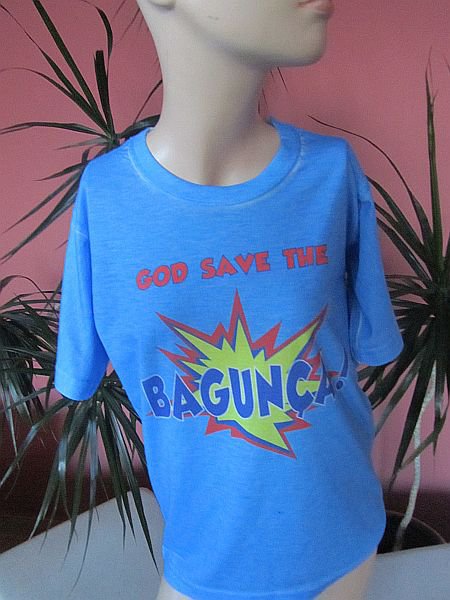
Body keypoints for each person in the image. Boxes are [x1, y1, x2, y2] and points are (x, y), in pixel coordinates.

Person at [54, 0, 404, 598]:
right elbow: (80, 374)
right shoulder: (105, 198)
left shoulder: (330, 173)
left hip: (343, 544)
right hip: (203, 563)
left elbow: (370, 344)